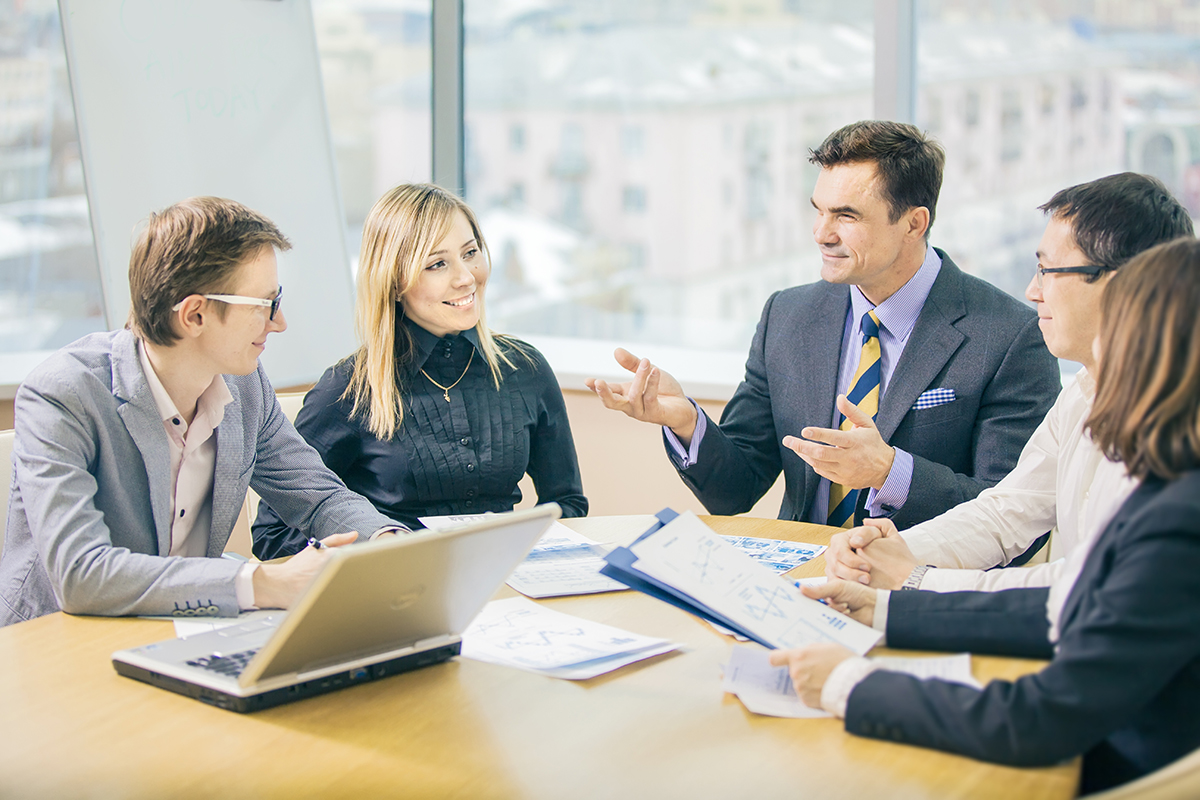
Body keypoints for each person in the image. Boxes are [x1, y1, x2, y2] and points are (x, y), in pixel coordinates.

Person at [770, 237, 1200, 793]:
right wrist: (882, 610)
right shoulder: (1168, 483)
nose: (1095, 372)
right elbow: (1064, 606)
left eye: (1113, 342)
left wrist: (848, 683)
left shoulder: (1179, 520)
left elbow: (1037, 719)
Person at [588, 120, 1059, 529]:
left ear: (914, 224)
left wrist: (889, 473)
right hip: (801, 579)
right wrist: (687, 421)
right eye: (819, 210)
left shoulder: (1010, 336)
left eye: (846, 216)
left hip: (920, 590)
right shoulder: (788, 316)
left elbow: (1011, 518)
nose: (821, 233)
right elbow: (736, 490)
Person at [0, 197, 407, 626]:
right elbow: (81, 573)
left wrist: (388, 541)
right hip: (58, 644)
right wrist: (265, 583)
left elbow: (318, 494)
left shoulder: (245, 385)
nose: (279, 321)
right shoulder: (63, 395)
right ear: (194, 314)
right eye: (265, 304)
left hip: (191, 629)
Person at [824, 173, 1194, 592]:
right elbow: (1008, 511)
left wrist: (916, 580)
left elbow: (1083, 585)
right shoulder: (1085, 390)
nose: (1032, 290)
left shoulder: (1181, 421)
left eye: (1048, 270)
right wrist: (895, 549)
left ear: (1122, 284)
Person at [252, 183, 587, 559]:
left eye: (471, 252)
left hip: (506, 585)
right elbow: (272, 537)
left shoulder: (525, 368)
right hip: (393, 594)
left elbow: (567, 502)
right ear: (395, 282)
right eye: (437, 264)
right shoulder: (347, 389)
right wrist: (379, 552)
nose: (466, 277)